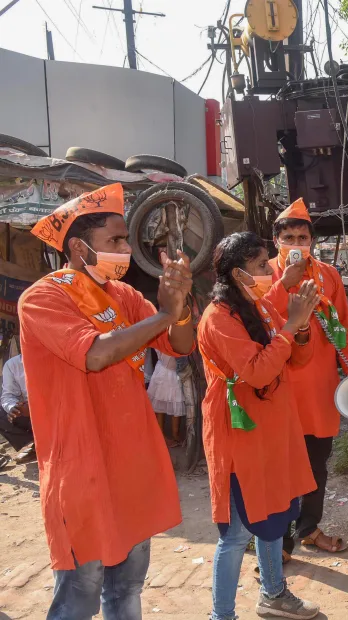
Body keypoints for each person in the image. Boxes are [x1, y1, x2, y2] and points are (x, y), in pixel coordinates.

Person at [19, 183, 196, 620]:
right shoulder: (42, 298)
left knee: (127, 589)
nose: (125, 250)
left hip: (129, 463)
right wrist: (164, 314)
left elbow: (179, 345)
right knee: (79, 597)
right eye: (115, 241)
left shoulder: (124, 296)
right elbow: (95, 355)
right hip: (82, 468)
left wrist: (181, 307)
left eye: (125, 240)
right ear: (79, 248)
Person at [198, 231, 322, 620]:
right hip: (240, 435)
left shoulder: (259, 306)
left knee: (275, 516)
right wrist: (291, 326)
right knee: (236, 534)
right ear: (238, 273)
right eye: (261, 265)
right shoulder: (218, 318)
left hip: (273, 430)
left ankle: (274, 594)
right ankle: (222, 615)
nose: (270, 271)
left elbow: (296, 359)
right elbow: (257, 372)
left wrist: (301, 328)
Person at [262, 198, 348, 555]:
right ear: (276, 241)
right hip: (278, 386)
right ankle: (279, 541)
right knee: (280, 466)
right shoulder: (264, 273)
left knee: (316, 464)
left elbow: (345, 329)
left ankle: (309, 528)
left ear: (312, 241)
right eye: (289, 237)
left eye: (302, 238)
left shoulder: (328, 275)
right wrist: (283, 284)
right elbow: (258, 317)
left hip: (320, 388)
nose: (296, 244)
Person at [0, 354, 35, 464]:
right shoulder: (12, 364)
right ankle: (37, 445)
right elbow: (8, 395)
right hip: (29, 415)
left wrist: (35, 407)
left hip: (56, 413)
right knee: (3, 413)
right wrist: (14, 408)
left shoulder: (55, 356)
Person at [147, 351, 186, 448]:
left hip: (161, 370)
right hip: (171, 372)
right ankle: (174, 435)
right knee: (174, 405)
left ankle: (163, 435)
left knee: (161, 405)